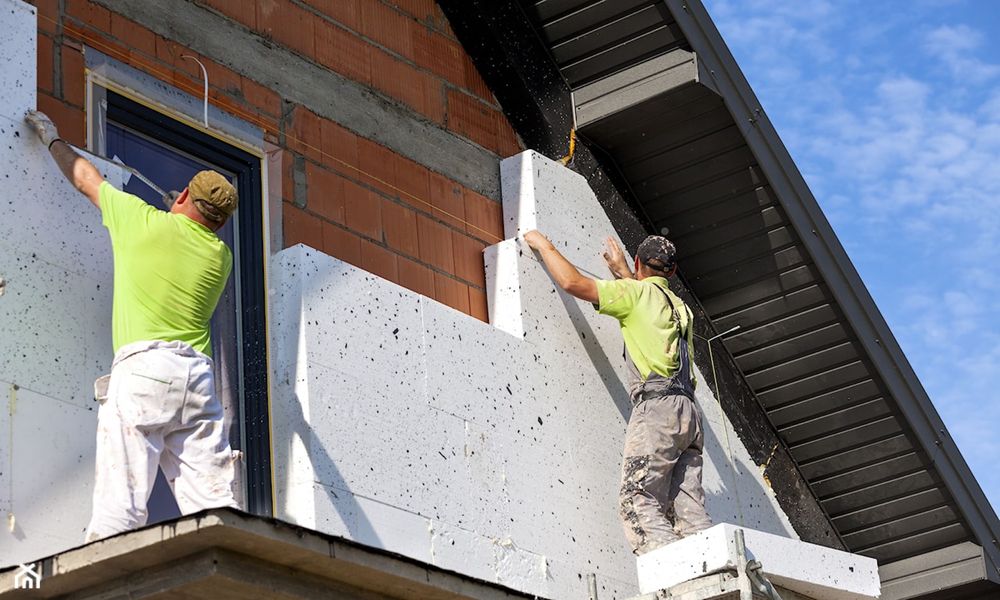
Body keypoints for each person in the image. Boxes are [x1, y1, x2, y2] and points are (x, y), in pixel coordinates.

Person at [24, 110, 240, 541]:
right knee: (215, 506)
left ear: (184, 197)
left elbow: (86, 178)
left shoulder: (139, 221)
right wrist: (176, 213)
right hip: (197, 381)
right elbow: (188, 235)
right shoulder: (221, 257)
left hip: (145, 372)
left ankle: (104, 568)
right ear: (221, 222)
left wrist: (52, 139)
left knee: (119, 508)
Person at [523, 230, 712, 555]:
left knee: (637, 499)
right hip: (689, 415)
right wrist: (625, 273)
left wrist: (545, 245)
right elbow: (648, 306)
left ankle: (672, 570)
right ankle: (715, 566)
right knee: (689, 510)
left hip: (658, 411)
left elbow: (572, 283)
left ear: (638, 262)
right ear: (672, 272)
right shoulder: (681, 307)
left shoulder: (635, 294)